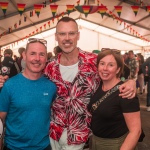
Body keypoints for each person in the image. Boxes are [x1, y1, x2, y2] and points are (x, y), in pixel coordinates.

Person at [44, 17, 136, 150]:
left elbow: (116, 77)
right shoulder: (49, 66)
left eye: (72, 33)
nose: (67, 38)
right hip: (53, 134)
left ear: (78, 35)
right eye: (62, 34)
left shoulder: (93, 62)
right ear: (56, 37)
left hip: (81, 137)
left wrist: (130, 81)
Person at [0, 38, 57, 150]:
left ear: (46, 58)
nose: (37, 58)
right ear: (24, 56)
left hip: (43, 147)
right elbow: (1, 119)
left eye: (41, 54)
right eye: (32, 54)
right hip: (14, 147)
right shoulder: (10, 86)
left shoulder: (51, 87)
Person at [88, 49, 141, 150]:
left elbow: (135, 131)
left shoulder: (125, 92)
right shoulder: (97, 86)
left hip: (116, 145)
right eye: (102, 64)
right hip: (95, 142)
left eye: (111, 65)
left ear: (118, 69)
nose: (105, 68)